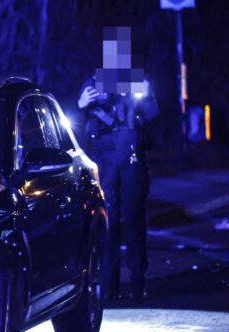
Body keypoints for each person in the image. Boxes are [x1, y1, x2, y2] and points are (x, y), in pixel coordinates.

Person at [77, 26, 158, 301]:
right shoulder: (93, 83)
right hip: (105, 161)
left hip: (132, 159)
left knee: (133, 220)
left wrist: (146, 96)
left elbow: (153, 116)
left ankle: (137, 283)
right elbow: (77, 124)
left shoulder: (137, 81)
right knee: (107, 222)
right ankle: (108, 287)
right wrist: (81, 104)